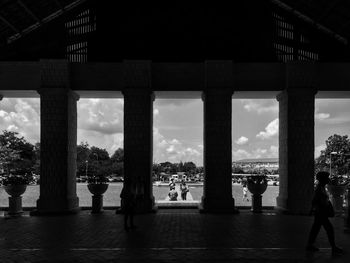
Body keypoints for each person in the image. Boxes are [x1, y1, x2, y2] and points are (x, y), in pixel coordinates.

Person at [306, 171, 343, 255]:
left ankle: (310, 245)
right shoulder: (320, 189)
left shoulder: (321, 188)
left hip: (320, 213)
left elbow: (315, 201)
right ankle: (333, 247)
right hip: (321, 213)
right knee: (329, 229)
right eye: (327, 177)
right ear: (323, 179)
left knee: (315, 229)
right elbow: (316, 201)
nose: (328, 179)